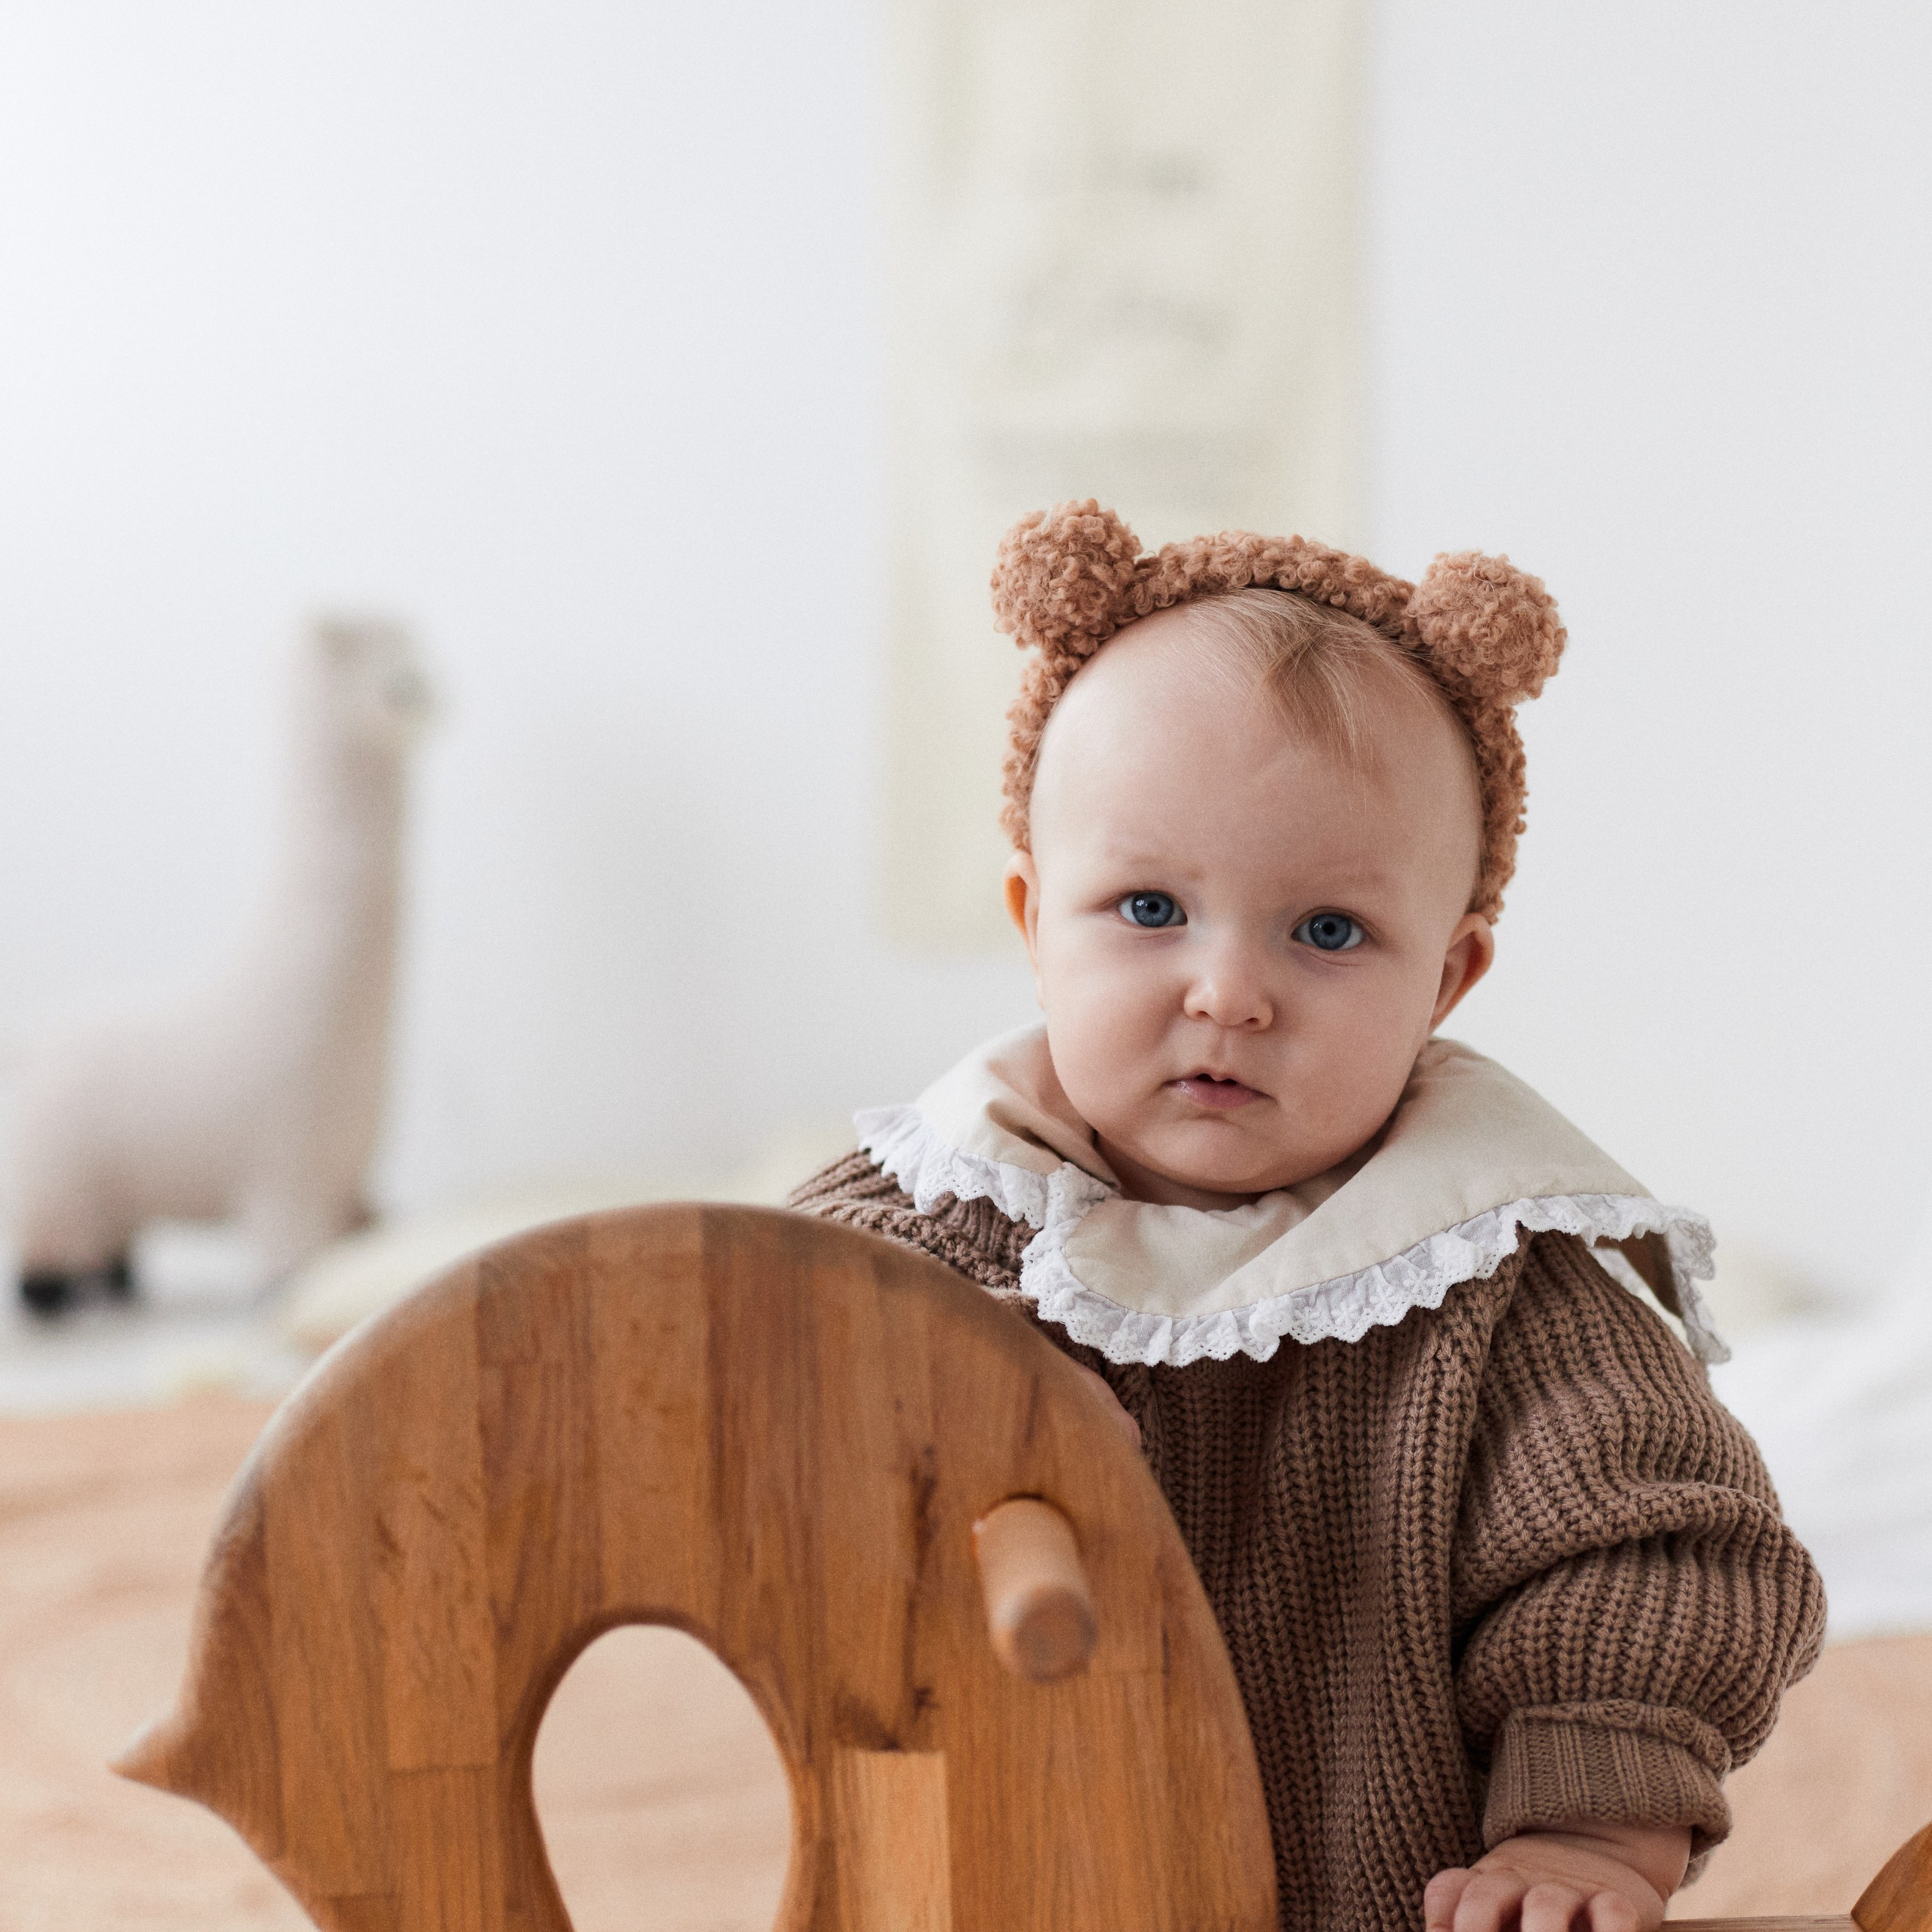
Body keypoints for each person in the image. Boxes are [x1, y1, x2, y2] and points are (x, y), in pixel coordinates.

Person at [791, 500, 1823, 1932]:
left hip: (1389, 1896)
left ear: (1447, 981)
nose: (1228, 992)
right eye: (1149, 908)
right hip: (981, 1884)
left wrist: (1587, 1838)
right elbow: (737, 1401)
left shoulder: (1501, 1283)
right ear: (1033, 920)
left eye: (1328, 932)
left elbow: (1656, 1553)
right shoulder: (914, 1232)